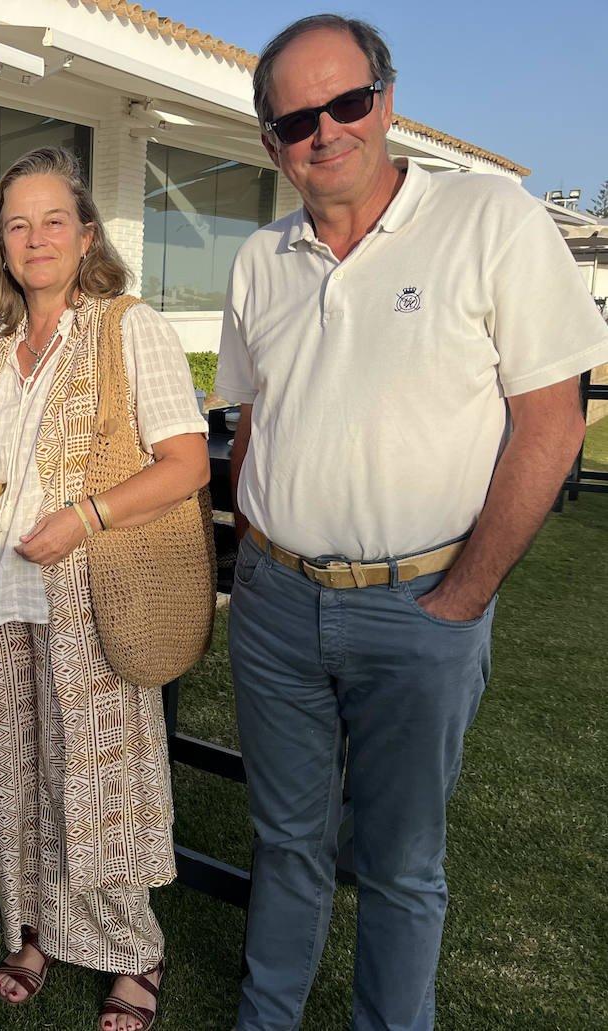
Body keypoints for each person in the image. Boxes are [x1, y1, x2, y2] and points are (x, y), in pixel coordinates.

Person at [215, 16, 608, 1031]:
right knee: (287, 840)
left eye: (346, 102)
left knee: (400, 861)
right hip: (273, 602)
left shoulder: (489, 219)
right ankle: (268, 1016)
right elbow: (254, 420)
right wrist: (250, 562)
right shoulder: (262, 257)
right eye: (297, 117)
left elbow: (553, 420)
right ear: (271, 140)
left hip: (417, 611)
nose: (325, 131)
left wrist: (464, 596)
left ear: (386, 101)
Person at [0, 146, 210, 1031]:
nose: (36, 237)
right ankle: (37, 924)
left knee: (96, 779)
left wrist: (85, 517)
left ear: (86, 235)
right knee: (17, 776)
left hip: (88, 602)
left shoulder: (130, 329)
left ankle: (134, 950)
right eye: (18, 223)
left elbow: (187, 463)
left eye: (55, 219)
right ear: (1, 245)